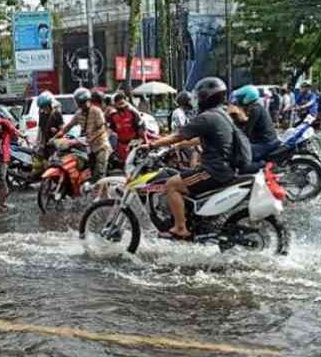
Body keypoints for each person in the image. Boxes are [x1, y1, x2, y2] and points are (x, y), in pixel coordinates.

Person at [145, 77, 235, 240]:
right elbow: (202, 139)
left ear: (205, 98)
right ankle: (192, 219)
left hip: (213, 170)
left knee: (171, 184)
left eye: (198, 96)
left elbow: (178, 135)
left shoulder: (206, 117)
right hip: (225, 167)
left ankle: (180, 228)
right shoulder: (221, 115)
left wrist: (152, 145)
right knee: (184, 176)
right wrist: (177, 146)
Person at [55, 87, 111, 183]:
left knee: (100, 173)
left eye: (84, 102)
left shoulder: (96, 111)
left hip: (101, 146)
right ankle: (96, 193)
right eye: (80, 103)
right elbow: (68, 126)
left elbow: (102, 128)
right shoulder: (79, 113)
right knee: (91, 172)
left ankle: (102, 195)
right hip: (89, 148)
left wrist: (91, 138)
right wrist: (56, 136)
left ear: (89, 101)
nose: (82, 105)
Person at [232, 84, 280, 166]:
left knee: (241, 158)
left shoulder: (255, 109)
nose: (238, 100)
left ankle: (261, 168)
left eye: (241, 97)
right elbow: (247, 123)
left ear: (247, 97)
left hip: (265, 143)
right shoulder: (256, 107)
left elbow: (247, 131)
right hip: (265, 141)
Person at [107, 92, 145, 162]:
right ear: (115, 104)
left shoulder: (133, 113)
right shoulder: (113, 116)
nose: (121, 105)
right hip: (121, 145)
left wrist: (144, 143)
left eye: (122, 102)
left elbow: (141, 129)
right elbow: (110, 130)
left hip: (134, 143)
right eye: (118, 102)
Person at [36, 92, 64, 160]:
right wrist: (38, 142)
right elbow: (40, 130)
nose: (44, 109)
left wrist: (55, 136)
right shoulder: (42, 115)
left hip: (55, 145)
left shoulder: (56, 114)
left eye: (45, 106)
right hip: (45, 145)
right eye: (42, 107)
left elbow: (63, 130)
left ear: (49, 105)